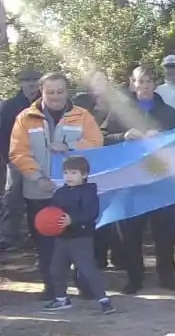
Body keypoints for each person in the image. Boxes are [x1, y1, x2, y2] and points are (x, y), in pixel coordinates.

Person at [9, 73, 105, 303]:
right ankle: (53, 290)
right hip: (40, 191)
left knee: (79, 242)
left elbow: (96, 143)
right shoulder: (25, 118)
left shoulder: (82, 116)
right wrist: (36, 177)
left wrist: (69, 145)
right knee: (46, 245)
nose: (55, 96)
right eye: (50, 92)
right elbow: (18, 153)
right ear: (40, 91)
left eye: (60, 92)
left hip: (75, 193)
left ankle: (86, 287)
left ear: (67, 91)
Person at [102, 66, 175, 294]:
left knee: (164, 233)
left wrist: (164, 139)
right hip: (131, 182)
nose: (145, 85)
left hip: (161, 180)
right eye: (140, 81)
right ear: (132, 84)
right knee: (130, 233)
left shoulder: (169, 113)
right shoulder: (118, 113)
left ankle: (167, 276)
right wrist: (123, 136)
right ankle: (134, 278)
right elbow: (103, 138)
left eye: (149, 81)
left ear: (154, 84)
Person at [44, 155, 113, 314]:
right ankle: (61, 299)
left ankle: (104, 301)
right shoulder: (60, 192)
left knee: (87, 270)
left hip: (81, 238)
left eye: (74, 173)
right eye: (66, 172)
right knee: (56, 269)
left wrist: (72, 220)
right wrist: (48, 223)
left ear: (84, 175)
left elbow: (91, 213)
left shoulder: (89, 192)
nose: (69, 176)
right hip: (61, 238)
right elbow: (52, 212)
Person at [1, 67, 41, 247]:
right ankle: (10, 237)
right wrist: (9, 159)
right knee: (13, 197)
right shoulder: (10, 106)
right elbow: (2, 134)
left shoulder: (46, 103)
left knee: (40, 198)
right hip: (16, 158)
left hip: (42, 159)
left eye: (34, 82)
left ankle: (39, 234)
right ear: (21, 84)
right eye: (27, 82)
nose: (31, 86)